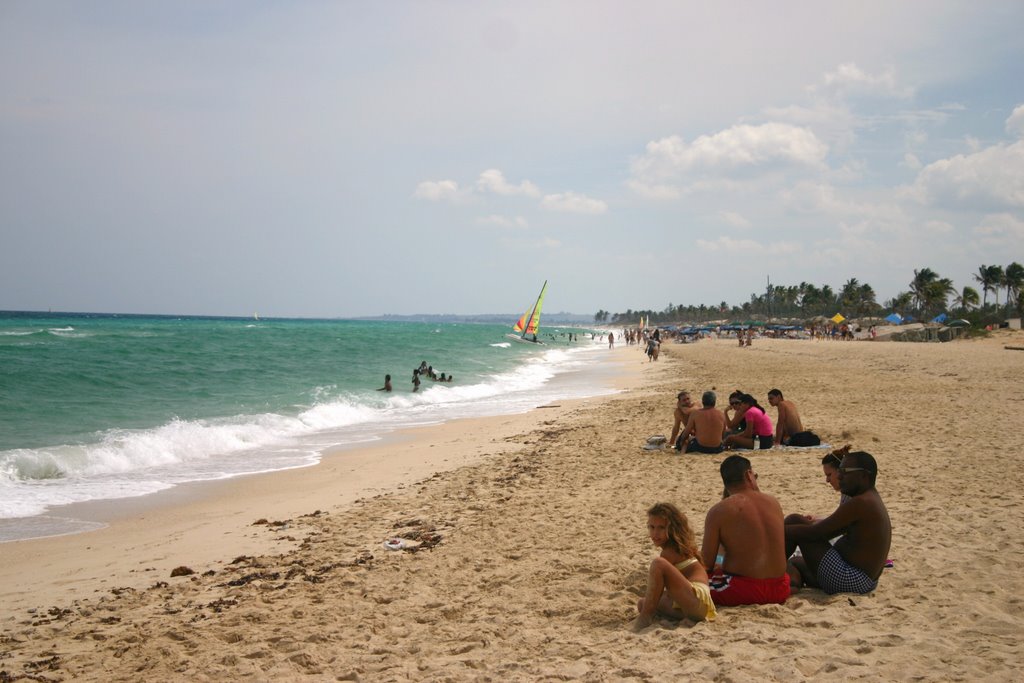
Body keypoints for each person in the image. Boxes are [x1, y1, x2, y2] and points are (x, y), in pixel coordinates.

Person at [785, 451, 892, 595]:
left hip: (850, 579)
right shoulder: (870, 498)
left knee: (794, 521)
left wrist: (774, 528)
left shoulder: (861, 503)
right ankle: (787, 577)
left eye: (845, 472)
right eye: (840, 471)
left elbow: (816, 533)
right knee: (796, 562)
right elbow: (830, 530)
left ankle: (767, 574)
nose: (839, 476)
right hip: (865, 581)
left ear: (864, 476)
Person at [702, 455, 791, 605]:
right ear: (748, 475)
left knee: (689, 582)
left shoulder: (719, 511)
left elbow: (706, 564)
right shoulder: (773, 502)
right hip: (780, 588)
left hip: (744, 590)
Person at [630, 502, 716, 630]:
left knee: (658, 564)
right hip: (692, 607)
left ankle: (645, 617)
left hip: (696, 600)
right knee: (643, 603)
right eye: (651, 527)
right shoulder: (680, 547)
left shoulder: (671, 551)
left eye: (661, 528)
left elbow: (658, 584)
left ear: (673, 528)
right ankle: (651, 612)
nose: (655, 533)